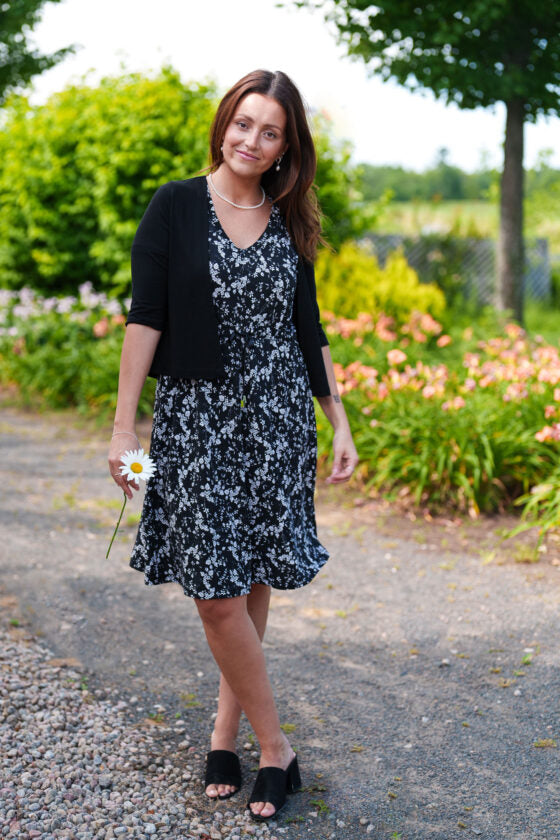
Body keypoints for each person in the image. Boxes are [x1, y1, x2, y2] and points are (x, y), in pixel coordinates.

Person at [108, 69, 359, 822]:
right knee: (216, 595)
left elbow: (306, 328)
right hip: (197, 422)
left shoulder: (289, 217)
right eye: (244, 123)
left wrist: (338, 418)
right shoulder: (177, 205)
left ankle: (226, 732)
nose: (253, 140)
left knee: (252, 577)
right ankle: (277, 748)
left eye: (271, 131)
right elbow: (144, 319)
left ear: (288, 146)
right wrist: (125, 430)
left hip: (278, 421)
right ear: (225, 124)